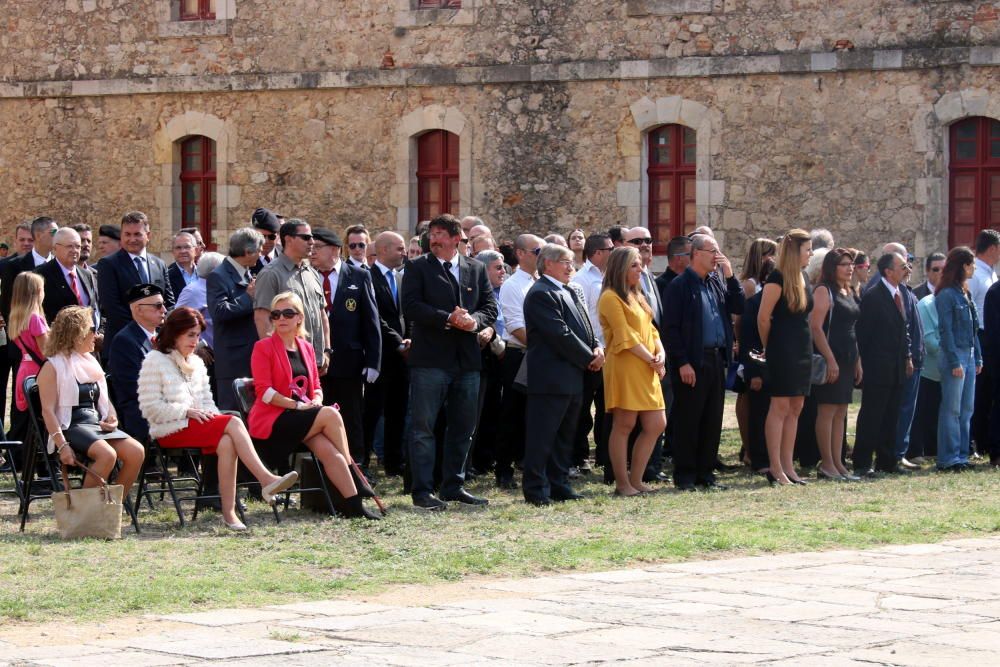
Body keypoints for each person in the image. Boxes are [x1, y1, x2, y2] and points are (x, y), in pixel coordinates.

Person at [138, 307, 299, 530]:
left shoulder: (196, 363)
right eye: (190, 335)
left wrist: (210, 417)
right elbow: (150, 408)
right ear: (175, 333)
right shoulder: (154, 360)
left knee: (226, 441)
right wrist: (186, 412)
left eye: (198, 335)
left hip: (198, 425)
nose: (196, 341)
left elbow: (207, 403)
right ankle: (265, 479)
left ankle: (229, 513)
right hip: (170, 429)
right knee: (232, 420)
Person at [249, 292, 379, 520]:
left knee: (330, 452)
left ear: (299, 317)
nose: (281, 318)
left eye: (288, 313)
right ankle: (356, 472)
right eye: (276, 314)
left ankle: (354, 505)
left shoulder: (306, 347)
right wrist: (298, 407)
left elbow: (316, 385)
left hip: (303, 419)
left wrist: (316, 399)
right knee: (330, 414)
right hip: (274, 422)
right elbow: (265, 392)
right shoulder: (263, 347)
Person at [400, 213, 498, 511]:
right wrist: (448, 319)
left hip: (466, 361)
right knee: (423, 428)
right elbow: (412, 306)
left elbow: (489, 307)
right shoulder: (417, 268)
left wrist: (472, 322)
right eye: (432, 233)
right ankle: (422, 490)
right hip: (430, 360)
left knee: (463, 426)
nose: (434, 238)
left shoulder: (475, 268)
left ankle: (454, 485)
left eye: (441, 233)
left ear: (457, 238)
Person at [522, 244, 603, 505]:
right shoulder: (541, 293)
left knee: (565, 435)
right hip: (550, 378)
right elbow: (560, 334)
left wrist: (597, 346)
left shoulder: (567, 290)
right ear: (548, 264)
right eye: (565, 262)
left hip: (572, 376)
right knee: (542, 436)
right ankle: (536, 488)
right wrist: (589, 357)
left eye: (572, 262)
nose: (571, 267)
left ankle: (559, 484)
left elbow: (584, 326)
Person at [664, 234, 744, 491]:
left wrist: (730, 276)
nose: (717, 256)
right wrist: (682, 362)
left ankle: (705, 473)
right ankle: (685, 475)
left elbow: (739, 305)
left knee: (712, 418)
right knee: (689, 419)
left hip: (715, 359)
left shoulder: (716, 282)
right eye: (712, 251)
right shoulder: (680, 285)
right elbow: (671, 329)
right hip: (692, 361)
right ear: (696, 253)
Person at [38, 306, 143, 495]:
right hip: (70, 425)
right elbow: (47, 411)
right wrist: (62, 446)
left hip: (95, 423)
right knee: (107, 455)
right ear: (77, 334)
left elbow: (104, 398)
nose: (97, 335)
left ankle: (112, 508)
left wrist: (112, 417)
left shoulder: (90, 360)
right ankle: (86, 511)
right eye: (92, 330)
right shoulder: (52, 366)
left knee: (136, 452)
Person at [311, 227, 381, 467]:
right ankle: (324, 467)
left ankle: (357, 465)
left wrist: (373, 361)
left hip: (349, 360)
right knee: (319, 415)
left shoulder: (358, 275)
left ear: (334, 250)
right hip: (316, 361)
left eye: (317, 248)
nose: (312, 252)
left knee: (351, 416)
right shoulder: (308, 276)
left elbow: (370, 320)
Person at [599, 246, 665, 496]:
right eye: (634, 265)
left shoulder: (637, 295)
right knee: (624, 423)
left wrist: (661, 355)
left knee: (657, 423)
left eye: (640, 264)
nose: (640, 269)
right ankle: (622, 483)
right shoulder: (610, 297)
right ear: (620, 268)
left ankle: (636, 480)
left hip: (647, 365)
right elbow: (625, 335)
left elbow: (652, 330)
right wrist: (652, 360)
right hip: (626, 365)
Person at [757, 229, 813, 485]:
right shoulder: (776, 278)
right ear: (795, 251)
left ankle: (789, 466)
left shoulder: (802, 277)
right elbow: (763, 317)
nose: (811, 254)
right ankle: (775, 468)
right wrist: (770, 347)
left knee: (796, 407)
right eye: (807, 249)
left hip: (802, 347)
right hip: (782, 348)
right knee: (779, 407)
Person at [854, 252, 911, 476]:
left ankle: (886, 460)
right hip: (878, 368)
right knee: (872, 416)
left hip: (896, 367)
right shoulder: (874, 297)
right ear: (888, 271)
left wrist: (907, 357)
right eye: (902, 266)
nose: (906, 269)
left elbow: (903, 329)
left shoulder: (900, 293)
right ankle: (862, 462)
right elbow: (864, 335)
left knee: (891, 415)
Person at [496, 233, 546, 489]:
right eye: (538, 251)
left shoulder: (543, 282)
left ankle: (529, 463)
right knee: (512, 413)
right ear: (521, 254)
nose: (543, 257)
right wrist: (549, 347)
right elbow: (516, 328)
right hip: (520, 355)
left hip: (540, 354)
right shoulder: (513, 285)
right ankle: (504, 469)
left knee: (536, 414)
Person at [809, 248, 861, 481]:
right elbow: (816, 327)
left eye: (851, 264)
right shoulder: (823, 290)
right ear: (832, 267)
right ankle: (827, 463)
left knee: (841, 411)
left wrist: (858, 360)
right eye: (844, 264)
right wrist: (830, 359)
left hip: (848, 358)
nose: (850, 268)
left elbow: (853, 329)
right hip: (831, 357)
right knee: (827, 410)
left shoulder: (848, 290)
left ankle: (838, 462)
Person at [253, 219, 329, 374]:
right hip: (287, 363)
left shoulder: (312, 273)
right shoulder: (271, 274)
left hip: (314, 361)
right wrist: (276, 360)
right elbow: (262, 318)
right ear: (288, 239)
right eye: (306, 237)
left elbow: (322, 315)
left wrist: (326, 350)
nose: (312, 242)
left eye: (312, 237)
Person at [97, 211, 175, 361]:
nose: (132, 239)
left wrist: (159, 332)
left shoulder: (159, 265)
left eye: (137, 234)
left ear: (148, 235)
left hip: (158, 345)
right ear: (121, 236)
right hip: (124, 345)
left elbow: (169, 303)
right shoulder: (109, 264)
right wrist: (144, 331)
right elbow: (112, 307)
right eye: (127, 234)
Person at [365, 231, 410, 477]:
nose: (403, 253)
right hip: (380, 355)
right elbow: (375, 317)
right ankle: (364, 461)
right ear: (382, 250)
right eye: (399, 248)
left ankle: (394, 462)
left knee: (398, 411)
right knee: (372, 410)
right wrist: (398, 342)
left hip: (403, 357)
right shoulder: (367, 277)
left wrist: (409, 339)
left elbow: (406, 313)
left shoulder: (402, 279)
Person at [936, 247, 982, 472]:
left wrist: (979, 357)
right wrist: (955, 362)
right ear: (963, 266)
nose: (974, 268)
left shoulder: (966, 293)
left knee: (967, 409)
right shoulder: (946, 295)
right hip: (955, 355)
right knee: (952, 409)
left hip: (970, 354)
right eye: (971, 264)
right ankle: (948, 457)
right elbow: (946, 331)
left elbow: (974, 329)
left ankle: (962, 455)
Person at [570, 233, 614, 473]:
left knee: (608, 407)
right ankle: (578, 457)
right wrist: (593, 350)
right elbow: (582, 318)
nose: (613, 252)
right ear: (597, 252)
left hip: (611, 352)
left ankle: (605, 455)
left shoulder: (610, 275)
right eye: (609, 249)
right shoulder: (581, 280)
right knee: (582, 409)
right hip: (591, 353)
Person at [208, 228, 262, 411]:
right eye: (259, 250)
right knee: (234, 414)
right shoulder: (219, 275)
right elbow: (219, 312)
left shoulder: (246, 272)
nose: (261, 254)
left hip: (250, 356)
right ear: (247, 252)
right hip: (233, 361)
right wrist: (248, 297)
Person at [107, 284, 167, 443]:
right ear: (138, 309)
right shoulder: (125, 341)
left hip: (171, 408)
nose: (164, 310)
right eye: (158, 306)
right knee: (221, 428)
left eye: (163, 304)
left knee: (225, 427)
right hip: (145, 414)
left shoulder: (165, 337)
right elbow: (135, 388)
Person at [469, 249, 505, 476]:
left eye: (503, 267)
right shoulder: (477, 294)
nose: (503, 271)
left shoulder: (504, 291)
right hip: (479, 356)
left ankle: (486, 457)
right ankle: (471, 461)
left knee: (492, 410)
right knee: (475, 413)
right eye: (498, 267)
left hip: (498, 357)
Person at [969, 229, 1000, 460]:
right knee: (980, 395)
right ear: (992, 248)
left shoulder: (991, 274)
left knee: (989, 395)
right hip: (982, 338)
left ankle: (986, 441)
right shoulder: (976, 275)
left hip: (990, 336)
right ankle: (976, 441)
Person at [36, 227, 98, 328]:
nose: (75, 251)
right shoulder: (41, 275)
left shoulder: (86, 275)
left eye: (78, 247)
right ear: (55, 248)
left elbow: (95, 308)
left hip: (88, 340)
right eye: (69, 246)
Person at [8, 272, 48, 413]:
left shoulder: (17, 318)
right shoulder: (35, 318)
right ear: (38, 291)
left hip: (25, 370)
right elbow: (46, 352)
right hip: (39, 372)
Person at [911, 287, 942, 462]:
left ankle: (934, 448)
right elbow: (929, 341)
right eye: (935, 269)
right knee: (922, 411)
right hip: (928, 369)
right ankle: (916, 451)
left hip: (944, 369)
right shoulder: (926, 304)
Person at [176, 251, 224, 349]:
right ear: (215, 270)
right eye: (225, 269)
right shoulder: (193, 291)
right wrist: (198, 347)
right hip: (205, 354)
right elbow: (177, 323)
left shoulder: (218, 289)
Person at [167, 231, 199, 299]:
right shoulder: (166, 277)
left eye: (187, 247)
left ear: (196, 250)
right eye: (178, 248)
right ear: (173, 252)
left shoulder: (205, 275)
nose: (183, 251)